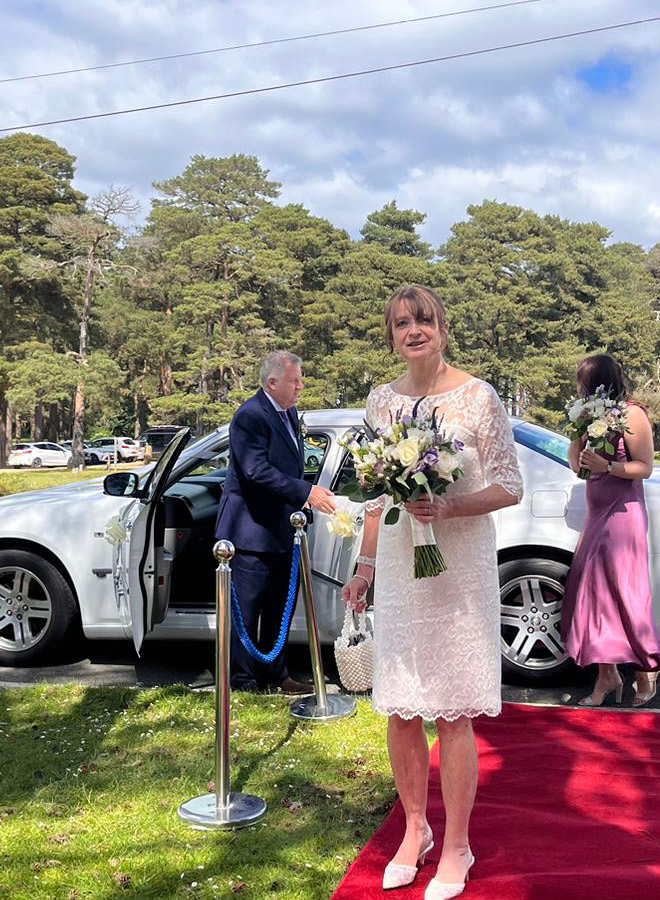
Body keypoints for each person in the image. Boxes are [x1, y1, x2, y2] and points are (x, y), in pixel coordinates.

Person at [342, 284, 523, 900]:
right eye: (400, 323)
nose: (412, 330)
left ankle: (458, 846)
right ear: (391, 336)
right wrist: (363, 566)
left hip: (460, 569)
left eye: (423, 320)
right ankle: (415, 828)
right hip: (399, 565)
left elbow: (509, 485)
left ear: (443, 327)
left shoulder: (479, 397)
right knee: (400, 709)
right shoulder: (380, 402)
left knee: (454, 711)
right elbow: (373, 492)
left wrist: (448, 504)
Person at [215, 350, 337, 694]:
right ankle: (242, 682)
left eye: (300, 379)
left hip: (281, 532)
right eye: (294, 380)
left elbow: (285, 466)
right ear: (272, 382)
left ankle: (275, 675)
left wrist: (305, 495)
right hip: (251, 532)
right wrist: (306, 492)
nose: (301, 386)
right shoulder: (250, 416)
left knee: (277, 610)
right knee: (247, 611)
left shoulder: (288, 412)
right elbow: (255, 471)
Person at [560, 354, 660, 707]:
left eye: (583, 383)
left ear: (599, 381)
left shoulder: (632, 414)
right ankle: (607, 676)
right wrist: (579, 432)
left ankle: (645, 672)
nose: (580, 388)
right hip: (597, 515)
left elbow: (645, 467)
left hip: (624, 516)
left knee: (627, 594)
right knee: (594, 596)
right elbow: (577, 466)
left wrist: (608, 465)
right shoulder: (590, 415)